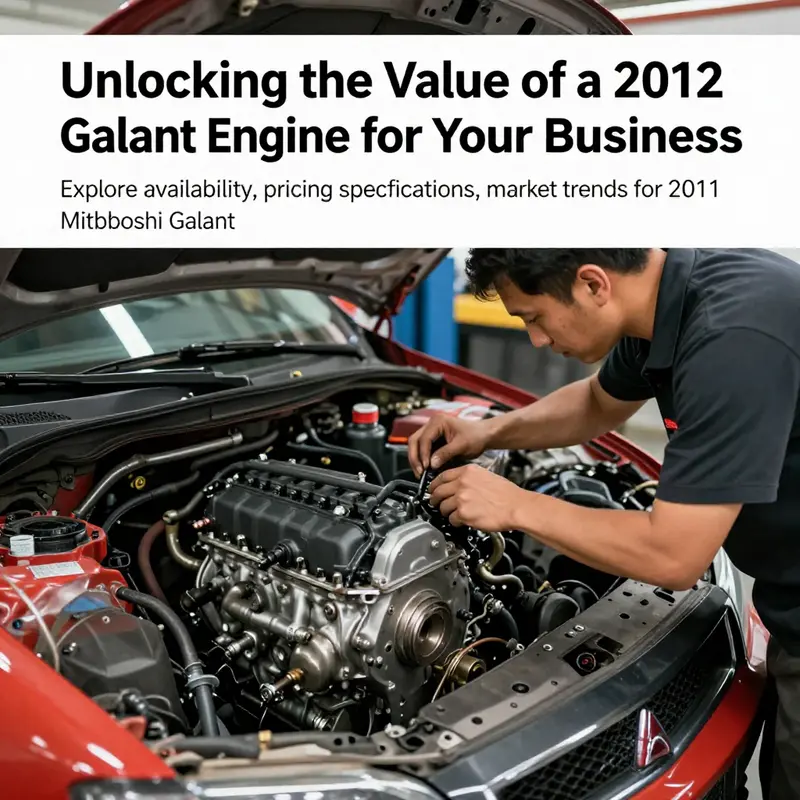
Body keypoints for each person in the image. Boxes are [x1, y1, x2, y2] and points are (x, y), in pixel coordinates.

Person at [407, 248, 800, 800]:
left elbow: (674, 557)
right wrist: (489, 433)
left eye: (534, 317)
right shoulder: (669, 305)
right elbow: (597, 403)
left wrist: (515, 505)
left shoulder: (730, 337)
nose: (536, 341)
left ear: (594, 284)